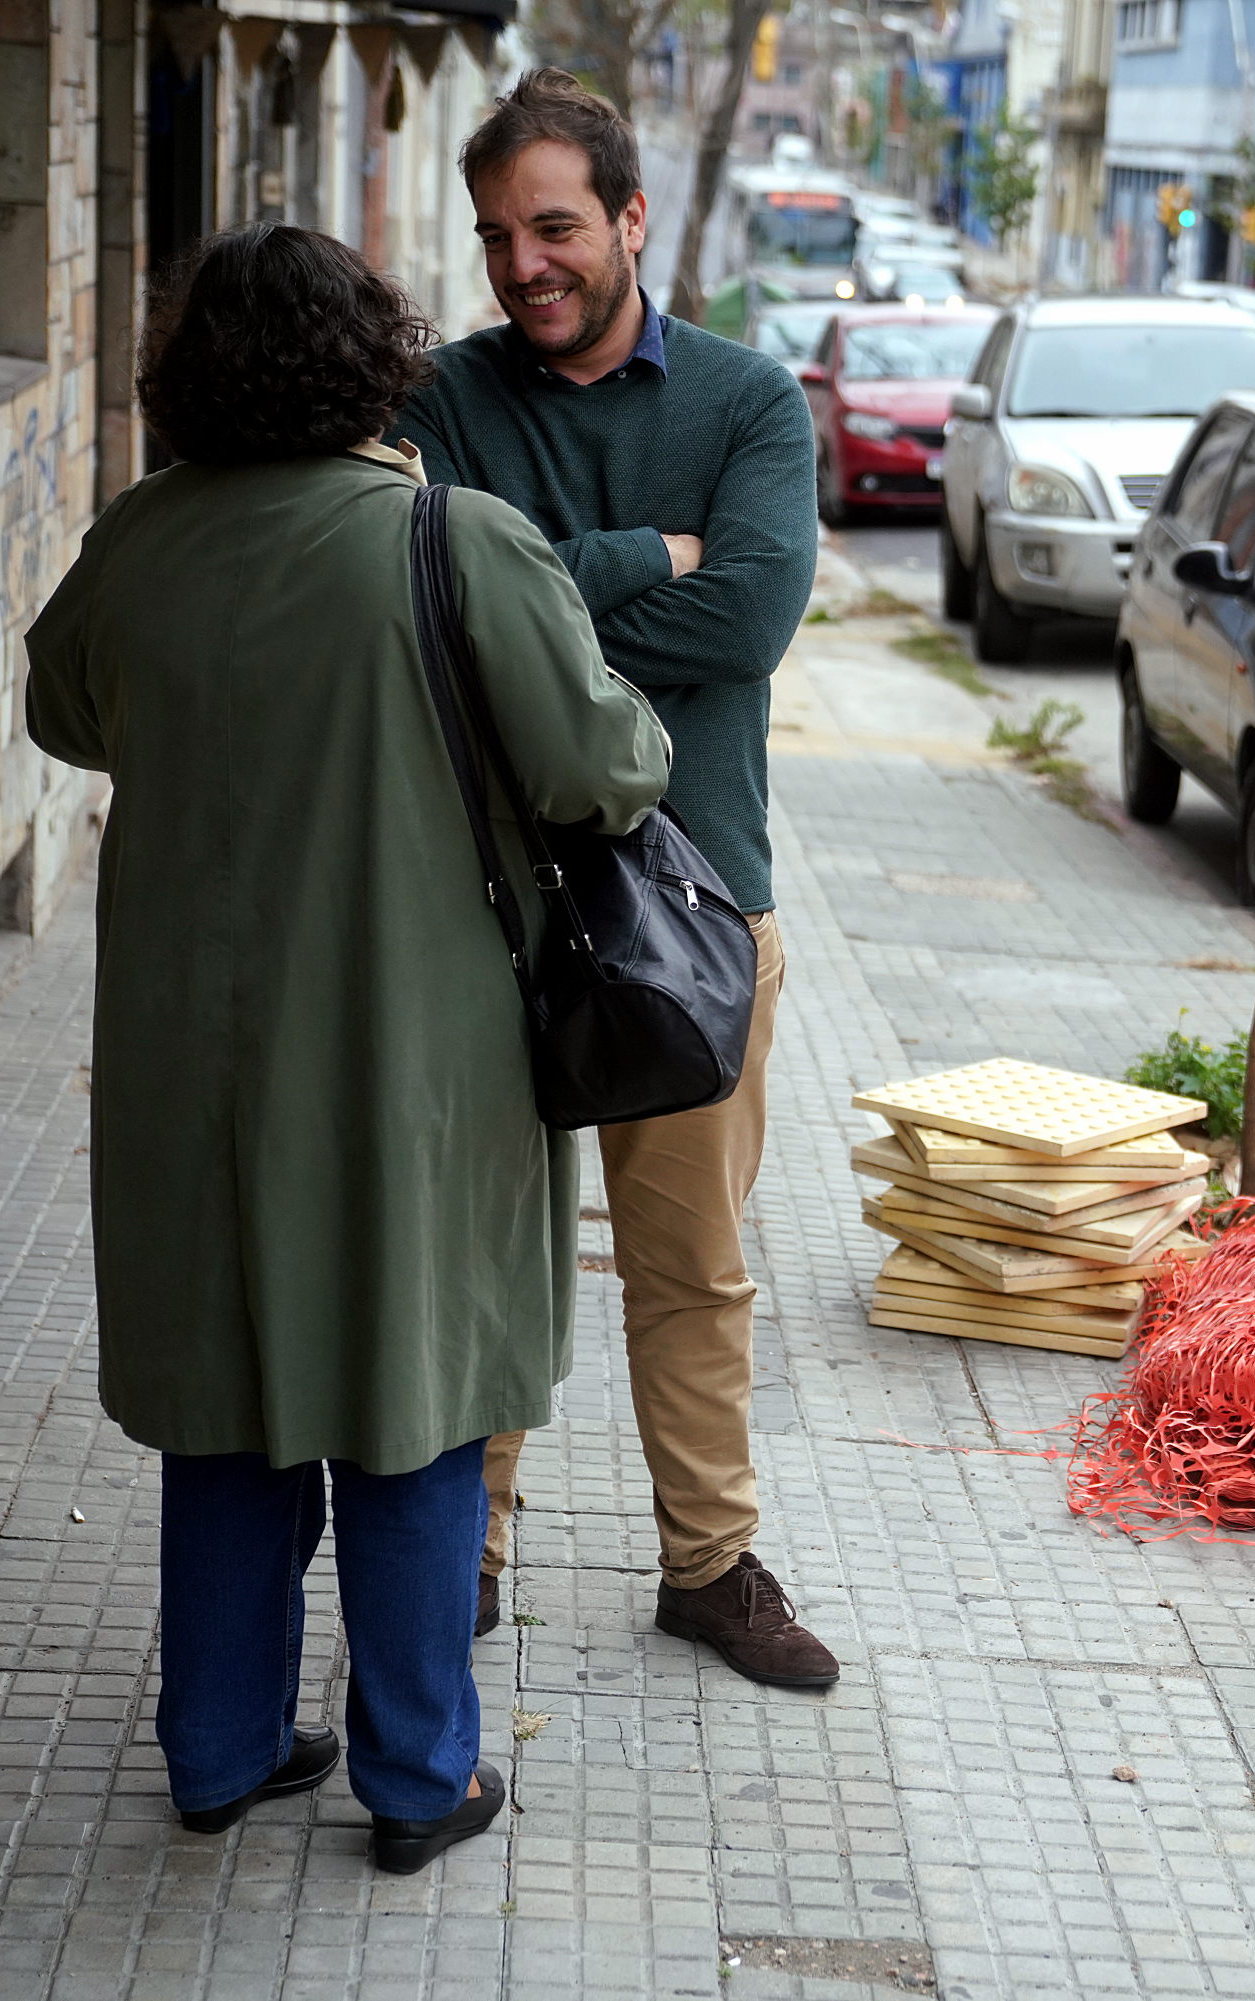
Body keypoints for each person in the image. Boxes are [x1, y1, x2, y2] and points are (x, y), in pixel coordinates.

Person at [25, 224, 672, 1870]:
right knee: (414, 1395)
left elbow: (64, 711)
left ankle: (224, 1744)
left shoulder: (139, 541)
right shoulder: (455, 540)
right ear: (373, 357)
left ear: (192, 375)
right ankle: (415, 1776)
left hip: (190, 1058)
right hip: (411, 1058)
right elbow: (606, 771)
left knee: (228, 1397)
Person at [392, 70, 836, 1690]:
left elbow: (755, 623)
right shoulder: (439, 398)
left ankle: (708, 1567)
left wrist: (532, 602)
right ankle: (471, 1547)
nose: (526, 264)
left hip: (697, 914)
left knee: (693, 1268)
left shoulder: (748, 403)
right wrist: (658, 555)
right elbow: (426, 607)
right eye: (500, 234)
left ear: (632, 219)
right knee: (481, 1251)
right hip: (483, 904)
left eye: (557, 225)